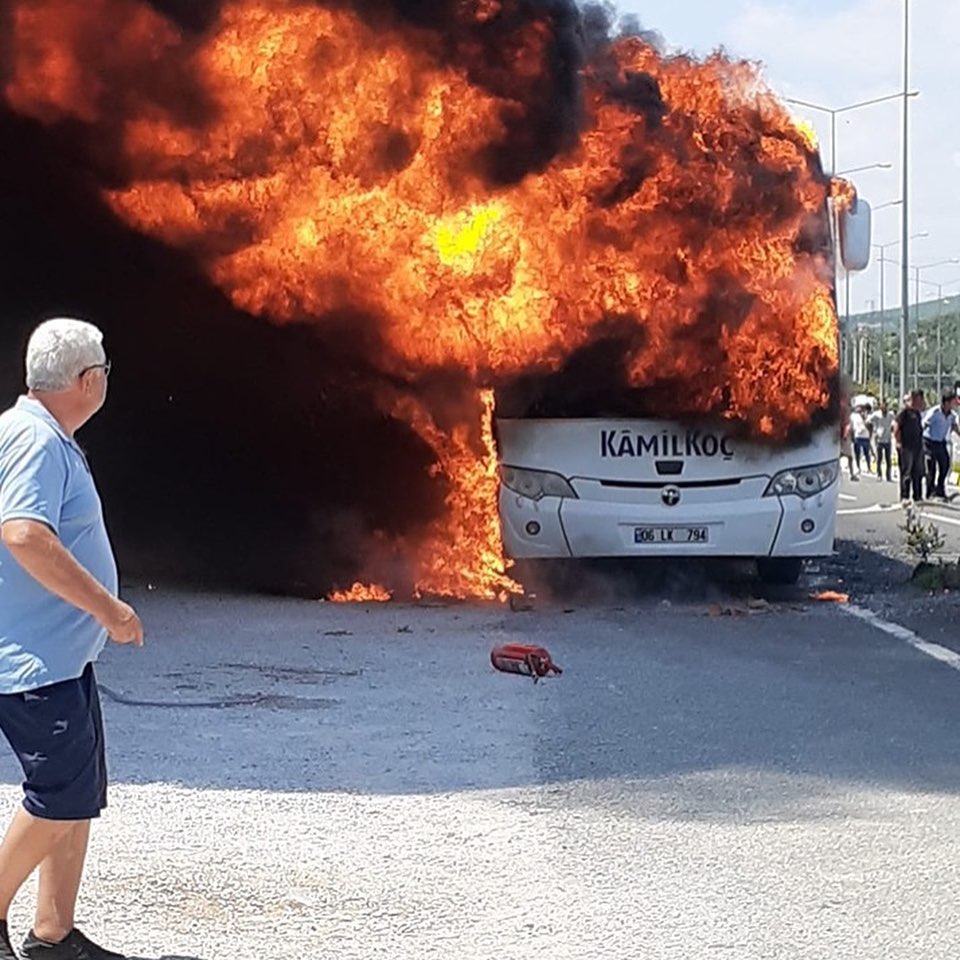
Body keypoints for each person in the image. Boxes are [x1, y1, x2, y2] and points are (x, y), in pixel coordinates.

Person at [0, 318, 143, 960]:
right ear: (88, 380)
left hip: (61, 660)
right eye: (105, 370)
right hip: (32, 663)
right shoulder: (34, 439)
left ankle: (53, 936)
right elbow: (24, 534)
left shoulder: (43, 435)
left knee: (76, 796)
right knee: (58, 796)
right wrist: (108, 609)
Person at [922, 388, 960, 500]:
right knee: (931, 468)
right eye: (953, 401)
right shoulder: (934, 412)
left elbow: (954, 427)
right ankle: (930, 492)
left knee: (945, 465)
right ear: (946, 402)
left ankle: (940, 489)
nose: (955, 404)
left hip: (940, 443)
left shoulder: (952, 415)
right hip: (929, 442)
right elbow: (924, 424)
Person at [894, 389, 925, 503]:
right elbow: (896, 427)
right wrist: (898, 441)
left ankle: (917, 496)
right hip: (906, 446)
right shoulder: (904, 412)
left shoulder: (917, 413)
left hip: (917, 446)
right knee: (906, 471)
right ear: (914, 399)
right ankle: (905, 496)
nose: (921, 402)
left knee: (918, 472)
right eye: (919, 399)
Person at [869, 401, 895, 482]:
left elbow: (895, 422)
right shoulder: (876, 414)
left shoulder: (890, 415)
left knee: (888, 459)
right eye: (882, 407)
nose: (884, 408)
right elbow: (868, 421)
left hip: (888, 439)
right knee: (879, 459)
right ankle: (879, 475)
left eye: (885, 406)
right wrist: (874, 430)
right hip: (879, 439)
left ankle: (888, 475)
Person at [850, 404, 872, 475]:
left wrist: (864, 418)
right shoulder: (853, 416)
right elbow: (852, 427)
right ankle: (858, 467)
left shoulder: (868, 416)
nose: (860, 410)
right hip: (857, 436)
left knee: (867, 453)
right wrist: (852, 436)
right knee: (857, 453)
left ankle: (869, 468)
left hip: (866, 436)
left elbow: (870, 426)